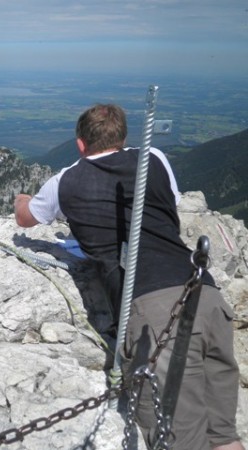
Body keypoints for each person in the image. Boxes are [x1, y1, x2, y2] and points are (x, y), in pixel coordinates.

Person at [14, 104, 243, 450]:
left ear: (80, 144)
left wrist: (22, 198)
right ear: (122, 137)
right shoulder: (154, 158)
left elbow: (25, 219)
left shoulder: (65, 181)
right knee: (224, 435)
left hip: (156, 313)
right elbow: (172, 202)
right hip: (205, 295)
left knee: (181, 440)